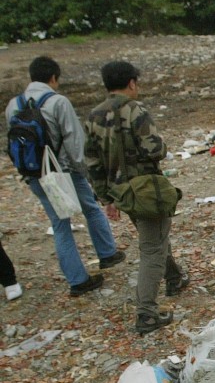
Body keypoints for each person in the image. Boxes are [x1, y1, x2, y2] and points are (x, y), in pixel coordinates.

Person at [5, 56, 124, 295]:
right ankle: (107, 253)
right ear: (53, 78)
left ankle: (77, 279)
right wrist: (88, 175)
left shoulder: (12, 105)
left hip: (35, 174)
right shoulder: (57, 102)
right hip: (63, 172)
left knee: (60, 225)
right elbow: (74, 143)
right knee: (90, 207)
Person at [84, 61, 188, 335]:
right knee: (152, 246)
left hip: (120, 192)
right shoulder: (135, 110)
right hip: (144, 189)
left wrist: (106, 198)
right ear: (131, 82)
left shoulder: (93, 116)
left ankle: (175, 277)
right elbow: (155, 149)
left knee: (154, 236)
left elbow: (92, 162)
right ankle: (146, 314)